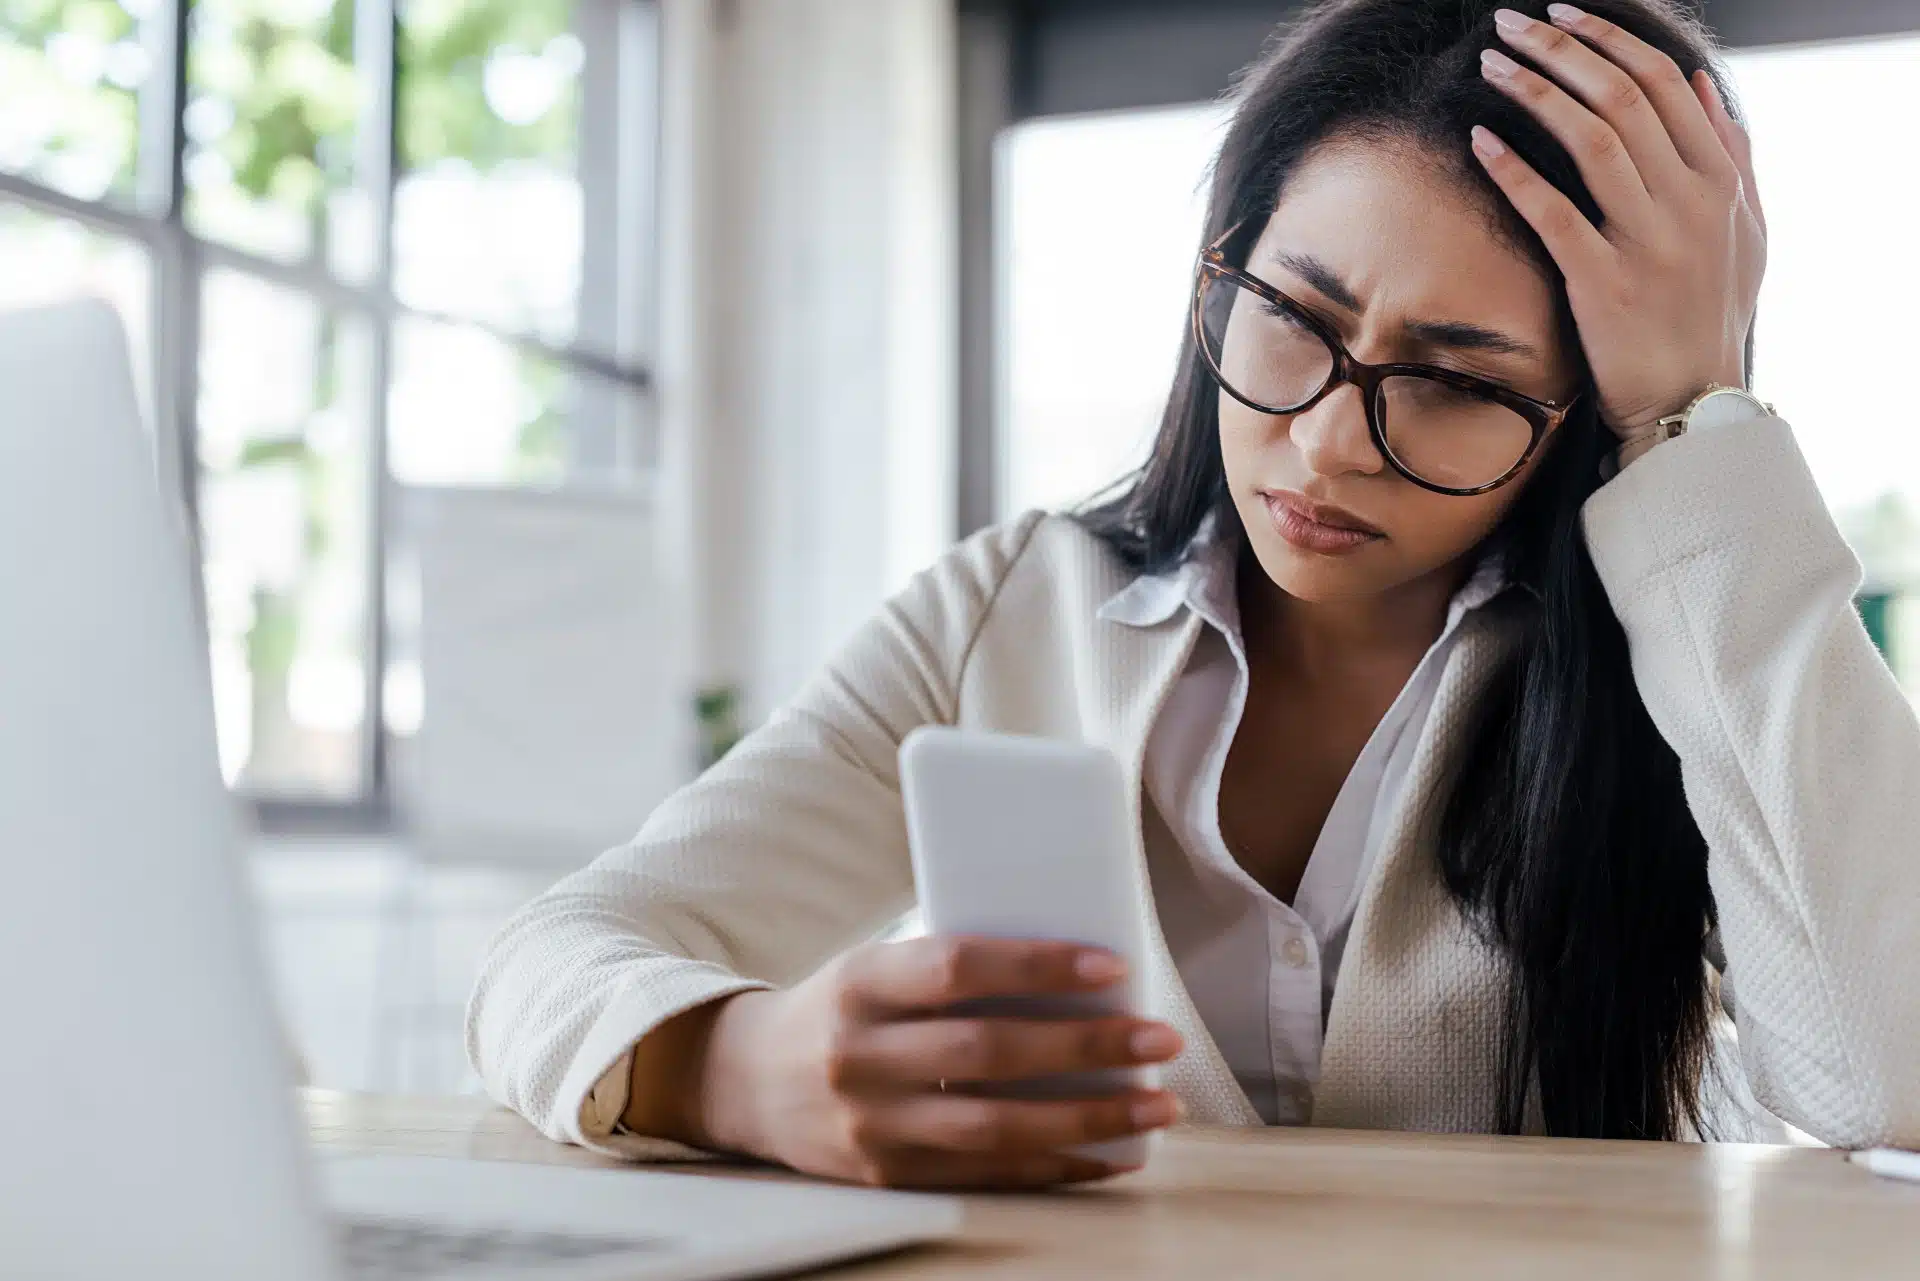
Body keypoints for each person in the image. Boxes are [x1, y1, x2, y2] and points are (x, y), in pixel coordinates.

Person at [468, 0, 1920, 1188]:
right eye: (1294, 315)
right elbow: (550, 960)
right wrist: (740, 1068)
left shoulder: (1683, 639)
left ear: (1577, 414)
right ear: (1219, 277)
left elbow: (1889, 1074)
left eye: (1456, 381)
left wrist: (1692, 418)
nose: (1329, 442)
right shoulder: (1009, 614)